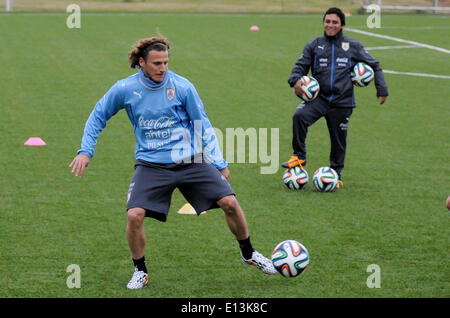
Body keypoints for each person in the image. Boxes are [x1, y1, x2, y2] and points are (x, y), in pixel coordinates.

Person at [69, 36, 276, 289]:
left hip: (190, 160)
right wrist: (85, 151)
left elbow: (202, 123)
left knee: (230, 202)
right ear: (142, 63)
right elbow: (98, 115)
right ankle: (140, 271)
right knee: (134, 215)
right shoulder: (125, 88)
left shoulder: (182, 86)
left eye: (166, 62)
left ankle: (249, 253)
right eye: (156, 63)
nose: (162, 68)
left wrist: (219, 162)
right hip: (150, 164)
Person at [282, 7, 389, 187]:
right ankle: (299, 157)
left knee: (338, 139)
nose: (330, 25)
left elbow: (375, 65)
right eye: (327, 21)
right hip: (318, 99)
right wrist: (295, 81)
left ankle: (336, 174)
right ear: (323, 23)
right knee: (299, 116)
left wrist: (382, 89)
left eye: (334, 22)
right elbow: (301, 66)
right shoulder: (314, 45)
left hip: (342, 102)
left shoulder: (352, 46)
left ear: (342, 25)